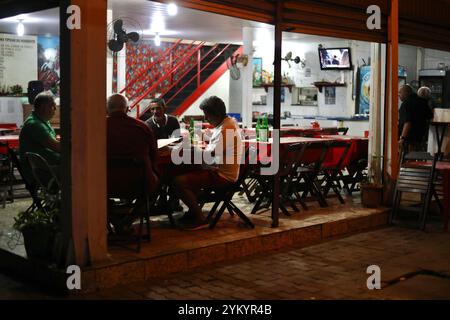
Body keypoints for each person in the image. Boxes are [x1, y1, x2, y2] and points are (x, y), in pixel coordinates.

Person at [173, 96, 242, 229]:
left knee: (178, 181)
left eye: (207, 115)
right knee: (186, 171)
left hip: (222, 175)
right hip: (218, 169)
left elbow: (210, 155)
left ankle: (199, 218)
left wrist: (192, 148)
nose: (206, 119)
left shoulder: (226, 128)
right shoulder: (227, 124)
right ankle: (193, 210)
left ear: (215, 114)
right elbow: (216, 146)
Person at [107, 94, 159, 194]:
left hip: (105, 183)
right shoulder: (142, 127)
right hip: (140, 183)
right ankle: (139, 208)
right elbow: (154, 156)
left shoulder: (98, 127)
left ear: (106, 109)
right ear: (127, 109)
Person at [19, 92, 60, 183]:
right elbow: (58, 148)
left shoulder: (42, 122)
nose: (55, 109)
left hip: (46, 167)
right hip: (41, 171)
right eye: (52, 106)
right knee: (78, 169)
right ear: (43, 107)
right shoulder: (34, 125)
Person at [398, 85, 433, 152]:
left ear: (406, 92)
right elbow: (430, 116)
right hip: (421, 137)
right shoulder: (422, 102)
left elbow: (407, 122)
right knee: (418, 156)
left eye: (400, 92)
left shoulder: (406, 104)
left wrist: (402, 138)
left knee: (407, 157)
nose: (398, 95)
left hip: (408, 138)